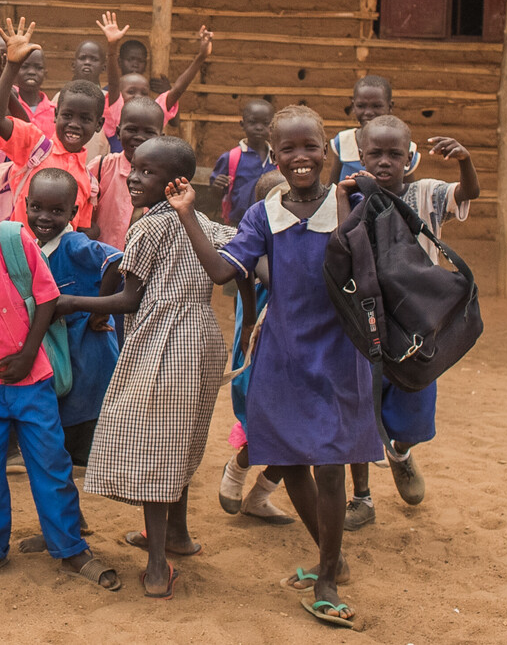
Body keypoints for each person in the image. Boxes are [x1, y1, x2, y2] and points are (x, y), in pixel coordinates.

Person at [167, 105, 376, 630]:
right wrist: (189, 213)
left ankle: (327, 578)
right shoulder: (265, 215)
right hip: (283, 353)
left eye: (310, 146)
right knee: (292, 457)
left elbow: (376, 273)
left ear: (325, 150)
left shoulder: (349, 204)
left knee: (330, 465)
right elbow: (220, 270)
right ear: (275, 157)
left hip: (338, 354)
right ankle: (332, 558)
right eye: (289, 149)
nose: (301, 157)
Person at [0, 158, 121, 590]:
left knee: (51, 463)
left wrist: (28, 353)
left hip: (32, 378)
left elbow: (47, 298)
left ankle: (71, 548)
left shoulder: (16, 237)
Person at [77, 137, 235, 598]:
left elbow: (129, 299)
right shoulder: (201, 222)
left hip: (162, 342)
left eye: (147, 172)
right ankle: (178, 537)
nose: (133, 177)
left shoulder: (146, 229)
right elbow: (238, 258)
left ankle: (157, 565)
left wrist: (70, 303)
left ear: (176, 182)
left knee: (154, 447)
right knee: (180, 437)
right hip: (202, 340)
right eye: (134, 168)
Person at [341, 115, 480, 530]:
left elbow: (467, 193)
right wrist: (343, 196)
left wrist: (465, 162)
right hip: (365, 321)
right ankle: (361, 497)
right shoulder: (350, 196)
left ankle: (400, 453)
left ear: (410, 156)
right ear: (360, 155)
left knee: (415, 410)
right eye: (375, 154)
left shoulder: (427, 195)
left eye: (394, 154)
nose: (385, 162)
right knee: (359, 412)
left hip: (418, 326)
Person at [21, 169, 121, 542]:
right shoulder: (28, 244)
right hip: (55, 358)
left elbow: (115, 260)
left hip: (85, 359)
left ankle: (69, 525)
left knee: (68, 445)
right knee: (53, 447)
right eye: (37, 208)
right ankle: (68, 522)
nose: (45, 218)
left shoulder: (74, 245)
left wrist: (98, 310)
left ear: (74, 212)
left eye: (57, 210)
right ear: (25, 206)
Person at [217, 170, 297, 527]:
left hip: (302, 348)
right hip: (263, 348)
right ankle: (237, 469)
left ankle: (260, 495)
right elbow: (256, 273)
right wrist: (250, 315)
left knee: (303, 431)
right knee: (269, 424)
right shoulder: (258, 241)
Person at [0, 18, 104, 232]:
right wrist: (11, 67)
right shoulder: (35, 147)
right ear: (56, 114)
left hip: (56, 264)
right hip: (20, 258)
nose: (74, 125)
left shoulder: (89, 181)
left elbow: (80, 230)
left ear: (99, 124)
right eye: (67, 115)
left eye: (85, 119)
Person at [86, 96, 165, 250]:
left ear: (161, 138)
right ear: (118, 132)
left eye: (149, 132)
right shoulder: (101, 167)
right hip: (102, 260)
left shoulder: (165, 177)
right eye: (132, 129)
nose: (140, 137)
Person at [329, 75, 419, 185]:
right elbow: (333, 185)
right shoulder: (344, 141)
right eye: (361, 106)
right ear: (353, 106)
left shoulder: (403, 145)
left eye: (376, 106)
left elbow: (408, 191)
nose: (368, 112)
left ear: (390, 107)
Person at [210, 99, 276, 226]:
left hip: (270, 224)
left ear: (272, 127)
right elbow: (214, 194)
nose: (259, 127)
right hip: (238, 224)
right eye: (252, 122)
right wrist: (217, 186)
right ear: (242, 124)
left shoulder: (277, 158)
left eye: (265, 123)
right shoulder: (231, 158)